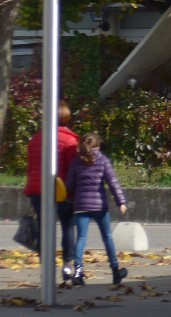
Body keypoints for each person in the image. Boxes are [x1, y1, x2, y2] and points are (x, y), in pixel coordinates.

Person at [23, 101, 80, 283]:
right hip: (62, 191)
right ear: (65, 117)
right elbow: (73, 169)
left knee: (43, 228)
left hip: (37, 190)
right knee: (67, 226)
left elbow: (31, 167)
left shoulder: (36, 139)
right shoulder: (70, 140)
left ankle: (46, 266)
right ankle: (67, 264)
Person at [65, 133, 128, 288]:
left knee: (81, 238)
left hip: (80, 206)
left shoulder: (76, 162)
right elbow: (113, 182)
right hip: (100, 206)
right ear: (98, 146)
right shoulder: (103, 161)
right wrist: (121, 202)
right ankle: (115, 271)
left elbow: (69, 185)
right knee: (107, 238)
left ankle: (78, 272)